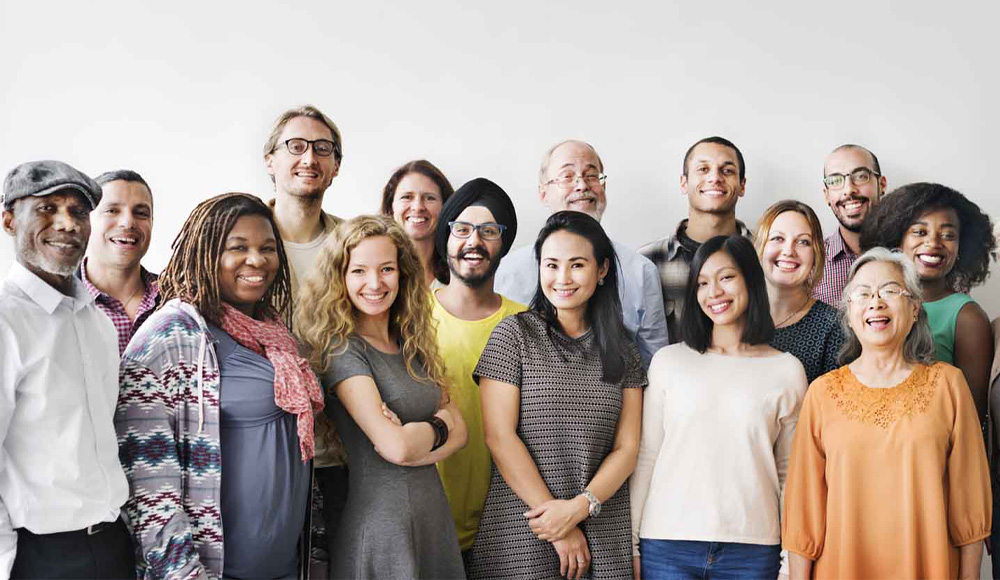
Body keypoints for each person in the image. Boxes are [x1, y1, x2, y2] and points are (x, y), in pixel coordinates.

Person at [116, 193, 324, 579]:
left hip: (287, 567)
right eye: (238, 247)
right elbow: (147, 486)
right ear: (205, 253)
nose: (257, 260)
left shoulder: (274, 334)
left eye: (267, 248)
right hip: (213, 571)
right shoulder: (170, 338)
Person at [783, 247, 991, 579]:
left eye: (890, 291)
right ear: (849, 313)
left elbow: (970, 508)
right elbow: (803, 515)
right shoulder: (822, 393)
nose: (875, 302)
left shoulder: (948, 386)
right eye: (862, 294)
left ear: (914, 308)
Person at [470, 210, 645, 580]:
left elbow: (627, 449)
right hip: (523, 528)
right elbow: (499, 438)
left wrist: (579, 510)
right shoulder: (513, 336)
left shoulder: (623, 351)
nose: (562, 278)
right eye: (551, 265)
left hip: (601, 528)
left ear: (602, 270)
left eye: (577, 264)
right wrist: (557, 524)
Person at [296, 215, 467, 579]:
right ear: (339, 278)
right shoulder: (342, 351)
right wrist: (441, 426)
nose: (374, 283)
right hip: (382, 526)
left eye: (386, 269)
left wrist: (422, 432)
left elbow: (463, 432)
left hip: (432, 517)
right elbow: (397, 449)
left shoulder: (412, 342)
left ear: (403, 274)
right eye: (359, 271)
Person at [631, 234, 807, 580]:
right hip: (668, 544)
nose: (714, 293)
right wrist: (632, 545)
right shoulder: (669, 362)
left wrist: (789, 559)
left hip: (753, 548)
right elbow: (647, 454)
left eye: (726, 277)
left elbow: (790, 473)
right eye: (702, 283)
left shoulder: (786, 370)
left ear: (750, 281)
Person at [0, 160, 134, 579]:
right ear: (8, 221)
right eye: (47, 209)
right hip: (40, 556)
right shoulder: (6, 319)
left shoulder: (96, 322)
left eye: (78, 212)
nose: (68, 224)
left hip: (113, 545)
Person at [494, 140, 667, 366]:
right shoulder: (507, 270)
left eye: (592, 175)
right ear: (543, 193)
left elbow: (655, 366)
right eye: (567, 176)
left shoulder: (640, 271)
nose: (582, 185)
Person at [263, 104, 347, 559]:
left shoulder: (353, 243)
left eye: (322, 149)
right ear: (270, 161)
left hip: (340, 446)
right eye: (295, 146)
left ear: (335, 167)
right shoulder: (239, 236)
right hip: (262, 443)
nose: (308, 158)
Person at [430, 177, 527, 564]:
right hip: (425, 522)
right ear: (446, 237)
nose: (474, 241)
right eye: (462, 229)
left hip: (505, 528)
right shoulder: (407, 317)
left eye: (489, 231)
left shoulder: (528, 324)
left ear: (503, 243)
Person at [860, 183, 994, 424]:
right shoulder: (871, 306)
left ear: (961, 246)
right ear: (897, 239)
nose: (933, 243)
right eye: (920, 232)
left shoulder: (967, 317)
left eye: (948, 235)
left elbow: (971, 417)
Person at [639, 136, 752, 344]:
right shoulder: (647, 262)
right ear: (684, 183)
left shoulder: (766, 255)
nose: (715, 178)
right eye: (703, 169)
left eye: (727, 170)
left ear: (742, 185)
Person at [753, 200, 844, 383]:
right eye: (778, 238)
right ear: (760, 247)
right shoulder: (734, 316)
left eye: (803, 242)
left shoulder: (834, 328)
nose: (789, 251)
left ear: (816, 254)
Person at [80, 169, 159, 354]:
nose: (128, 222)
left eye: (140, 213)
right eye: (112, 211)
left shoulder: (179, 299)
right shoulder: (58, 302)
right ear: (85, 219)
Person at [812, 144, 886, 305]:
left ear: (882, 185)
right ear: (826, 195)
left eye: (860, 176)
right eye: (835, 180)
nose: (849, 189)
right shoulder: (811, 263)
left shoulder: (910, 254)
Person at [380, 159, 455, 287]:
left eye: (429, 198)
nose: (418, 207)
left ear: (445, 207)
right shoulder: (376, 273)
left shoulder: (459, 273)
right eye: (407, 197)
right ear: (390, 206)